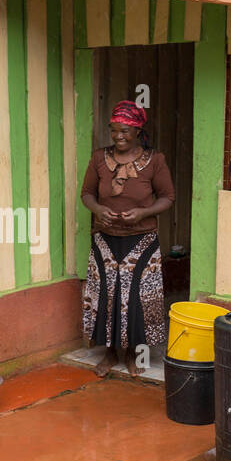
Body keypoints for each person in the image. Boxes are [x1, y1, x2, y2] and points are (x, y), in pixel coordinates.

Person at [80, 101, 175, 377]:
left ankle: (134, 355)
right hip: (105, 240)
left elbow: (168, 197)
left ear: (137, 131)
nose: (119, 136)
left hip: (141, 240)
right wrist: (98, 210)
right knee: (107, 296)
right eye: (114, 131)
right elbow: (87, 193)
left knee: (135, 299)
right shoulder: (99, 158)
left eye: (125, 131)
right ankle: (109, 354)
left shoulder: (155, 160)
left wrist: (144, 212)